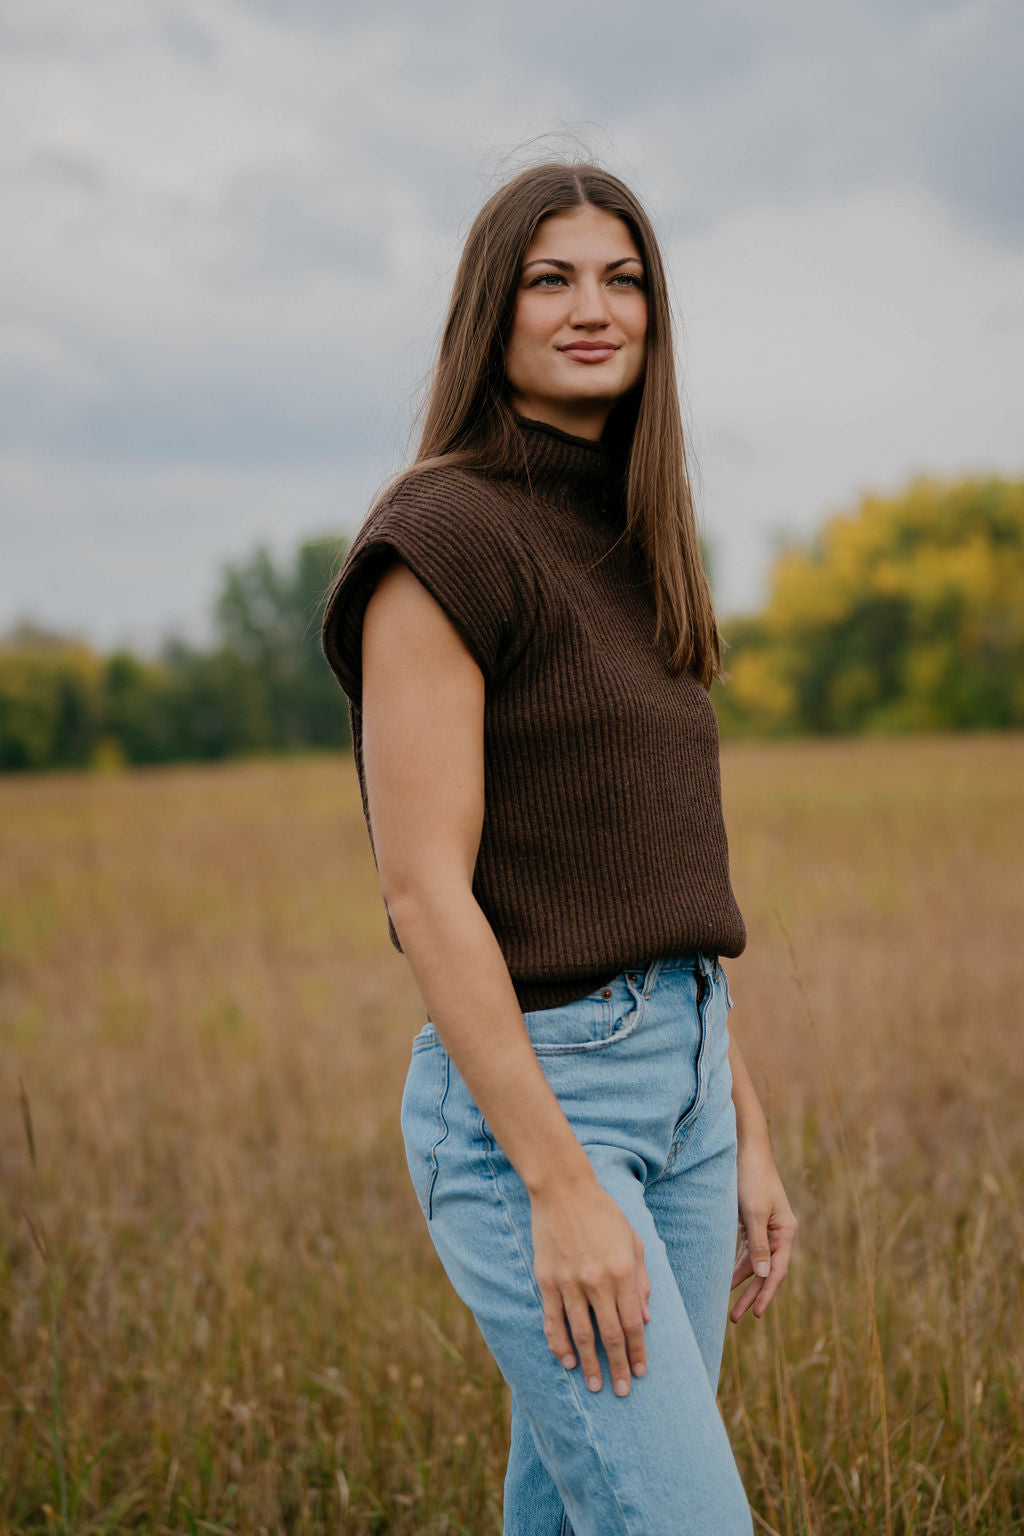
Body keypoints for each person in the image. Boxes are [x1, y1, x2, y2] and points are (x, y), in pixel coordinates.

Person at [321, 159, 798, 1536]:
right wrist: (558, 1182)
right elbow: (425, 891)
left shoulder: (640, 536)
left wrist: (742, 1123)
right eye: (552, 279)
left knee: (580, 1512)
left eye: (623, 279)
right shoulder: (443, 538)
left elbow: (654, 879)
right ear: (495, 312)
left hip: (688, 1087)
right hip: (541, 1106)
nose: (594, 309)